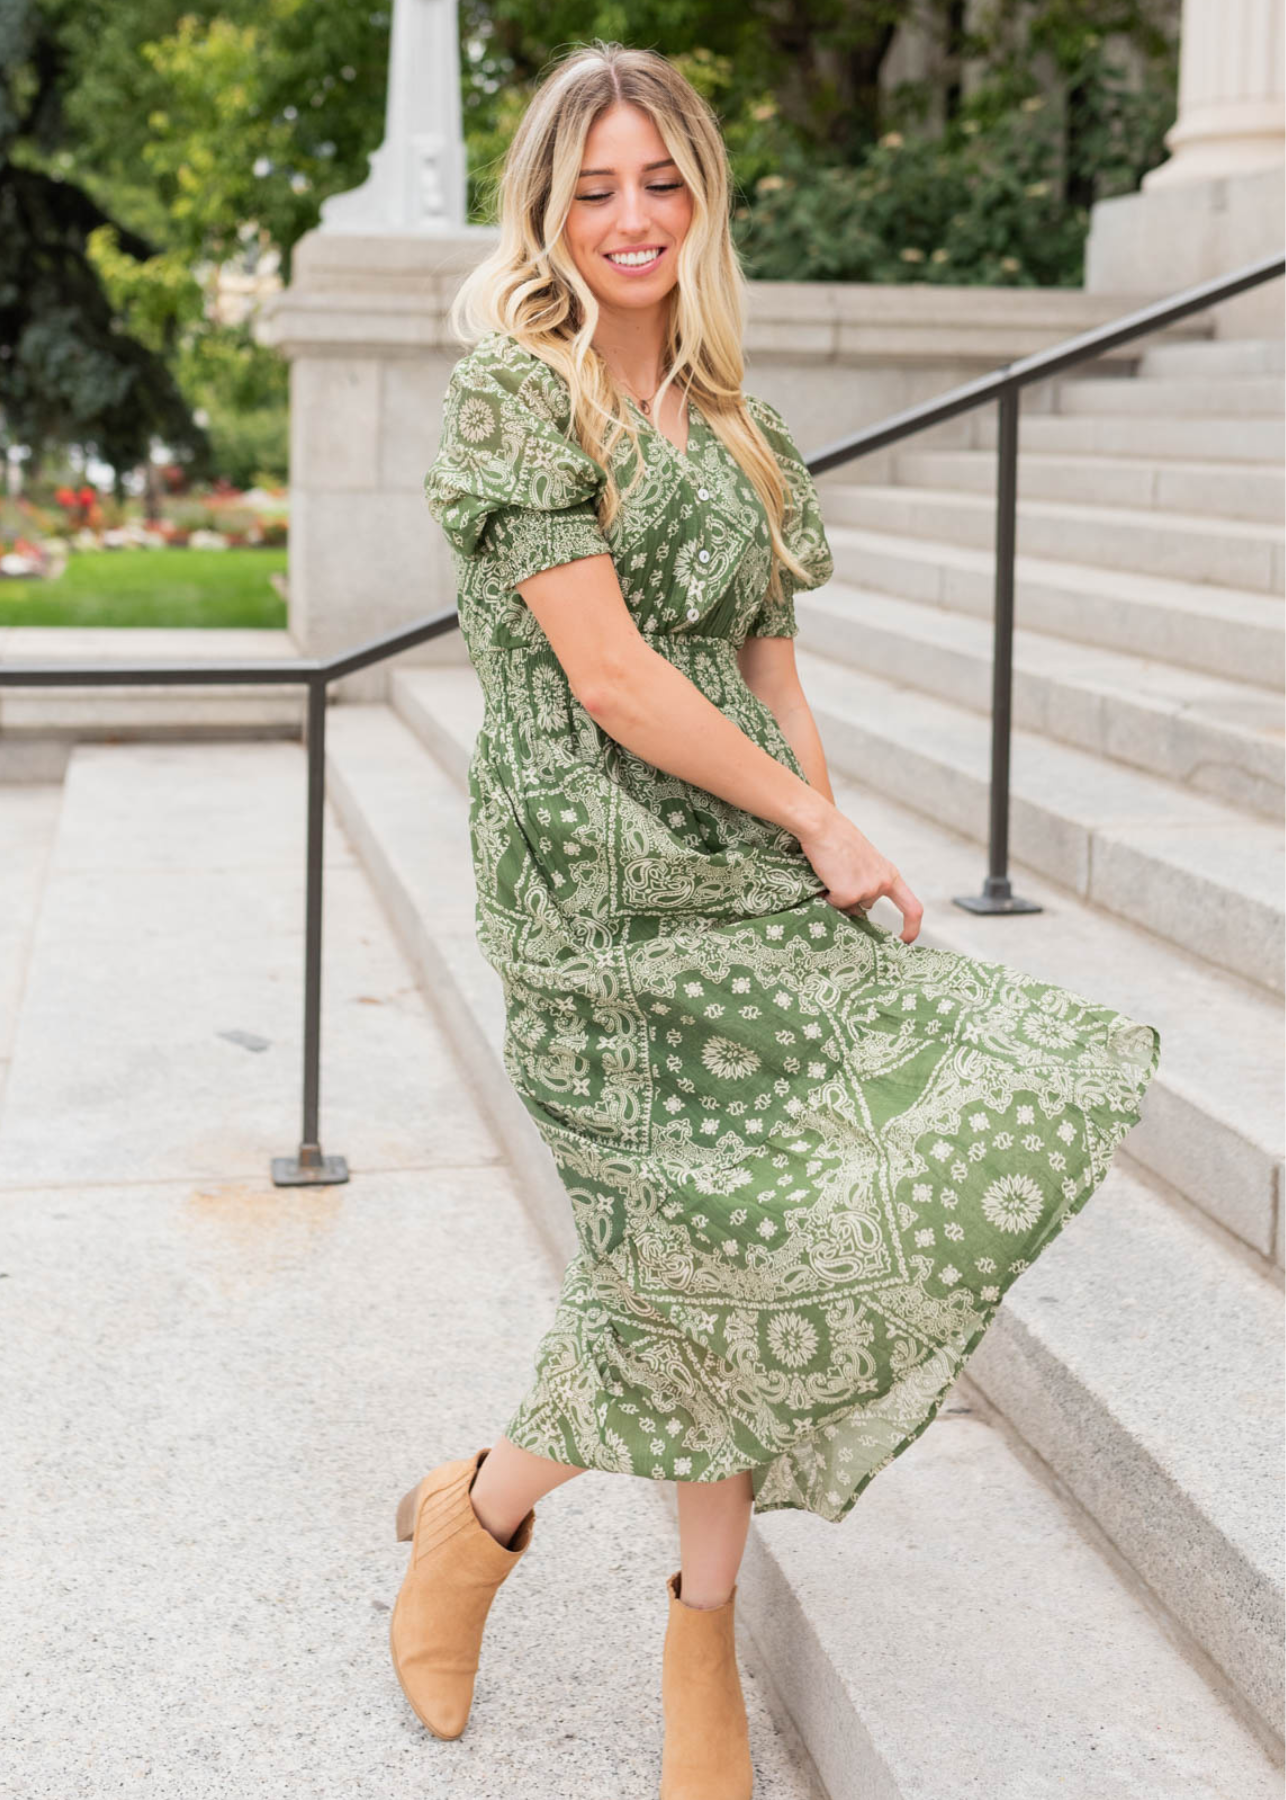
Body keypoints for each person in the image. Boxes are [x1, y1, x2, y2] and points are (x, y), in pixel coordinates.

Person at [395, 40, 1161, 1798]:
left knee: (761, 1235)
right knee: (680, 1255)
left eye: (660, 180)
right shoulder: (516, 393)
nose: (631, 217)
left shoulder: (738, 420)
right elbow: (600, 672)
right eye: (593, 186)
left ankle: (557, 1558)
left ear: (704, 197)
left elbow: (764, 669)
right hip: (588, 892)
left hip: (746, 864)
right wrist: (811, 815)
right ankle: (506, 1547)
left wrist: (837, 842)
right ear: (544, 206)